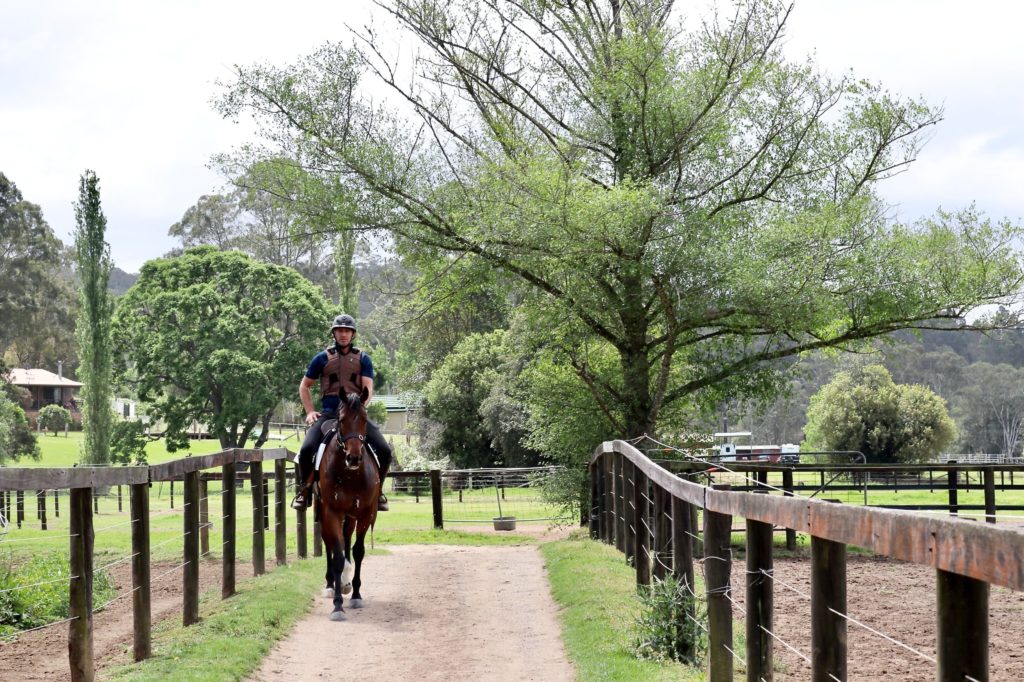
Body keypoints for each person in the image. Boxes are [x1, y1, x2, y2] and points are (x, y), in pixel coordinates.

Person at [291, 313, 392, 511]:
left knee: (386, 451)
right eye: (339, 331)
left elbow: (368, 388)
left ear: (352, 334)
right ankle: (304, 491)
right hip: (329, 414)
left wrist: (358, 407)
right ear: (334, 333)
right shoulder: (321, 358)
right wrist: (310, 411)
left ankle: (378, 493)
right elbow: (304, 386)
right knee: (305, 451)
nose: (343, 334)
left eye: (347, 331)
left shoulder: (364, 359)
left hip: (354, 416)